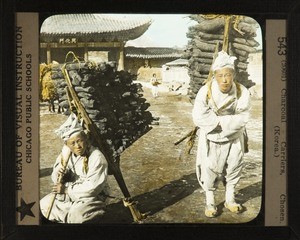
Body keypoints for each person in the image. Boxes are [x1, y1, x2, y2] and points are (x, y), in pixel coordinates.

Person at [192, 51, 251, 218]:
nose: (224, 80)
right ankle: (210, 201)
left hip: (234, 136)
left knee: (234, 165)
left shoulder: (241, 91)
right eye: (220, 76)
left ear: (233, 75)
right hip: (212, 136)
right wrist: (218, 123)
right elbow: (199, 115)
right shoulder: (206, 91)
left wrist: (222, 123)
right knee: (210, 167)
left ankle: (230, 199)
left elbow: (243, 116)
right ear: (215, 76)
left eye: (228, 75)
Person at [40, 113, 110, 223]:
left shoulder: (96, 157)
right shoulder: (66, 154)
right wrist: (61, 174)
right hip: (69, 194)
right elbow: (56, 175)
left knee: (78, 215)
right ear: (67, 145)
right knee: (44, 204)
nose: (77, 146)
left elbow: (93, 188)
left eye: (79, 141)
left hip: (91, 196)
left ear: (85, 139)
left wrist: (66, 190)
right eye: (72, 143)